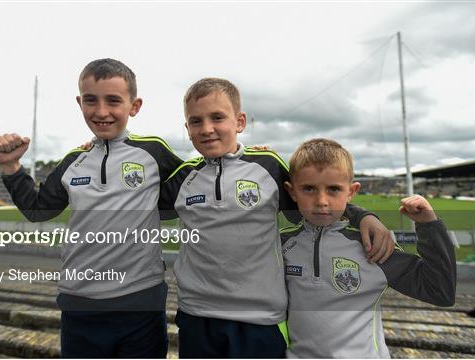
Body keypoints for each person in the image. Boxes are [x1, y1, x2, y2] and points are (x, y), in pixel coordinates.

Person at [159, 78, 395, 358]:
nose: (207, 128)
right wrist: (96, 148)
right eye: (195, 121)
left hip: (260, 319)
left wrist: (363, 215)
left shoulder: (267, 166)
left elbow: (314, 196)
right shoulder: (185, 177)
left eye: (217, 117)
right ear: (187, 129)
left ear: (240, 122)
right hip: (197, 315)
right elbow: (133, 202)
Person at [0, 58, 182, 358]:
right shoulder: (72, 161)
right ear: (80, 103)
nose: (101, 111)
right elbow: (38, 210)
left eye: (113, 101)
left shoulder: (154, 151)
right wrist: (12, 167)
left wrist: (243, 153)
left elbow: (200, 179)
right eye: (91, 100)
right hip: (80, 304)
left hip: (141, 303)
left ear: (134, 105)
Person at [281, 138, 456, 358]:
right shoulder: (282, 246)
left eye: (334, 189)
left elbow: (440, 291)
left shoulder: (372, 246)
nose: (322, 201)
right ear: (292, 191)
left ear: (351, 191)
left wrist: (429, 225)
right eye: (309, 189)